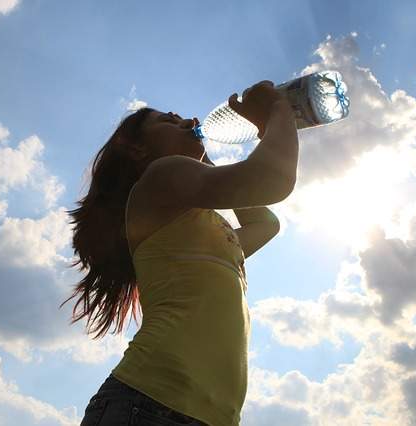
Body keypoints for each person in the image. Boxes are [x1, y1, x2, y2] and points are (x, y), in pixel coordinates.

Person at [63, 81, 299, 426]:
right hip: (150, 403)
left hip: (200, 415)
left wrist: (210, 155)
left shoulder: (202, 230)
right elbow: (270, 180)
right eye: (168, 122)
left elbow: (266, 223)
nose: (188, 121)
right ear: (136, 149)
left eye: (184, 120)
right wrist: (279, 110)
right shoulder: (160, 176)